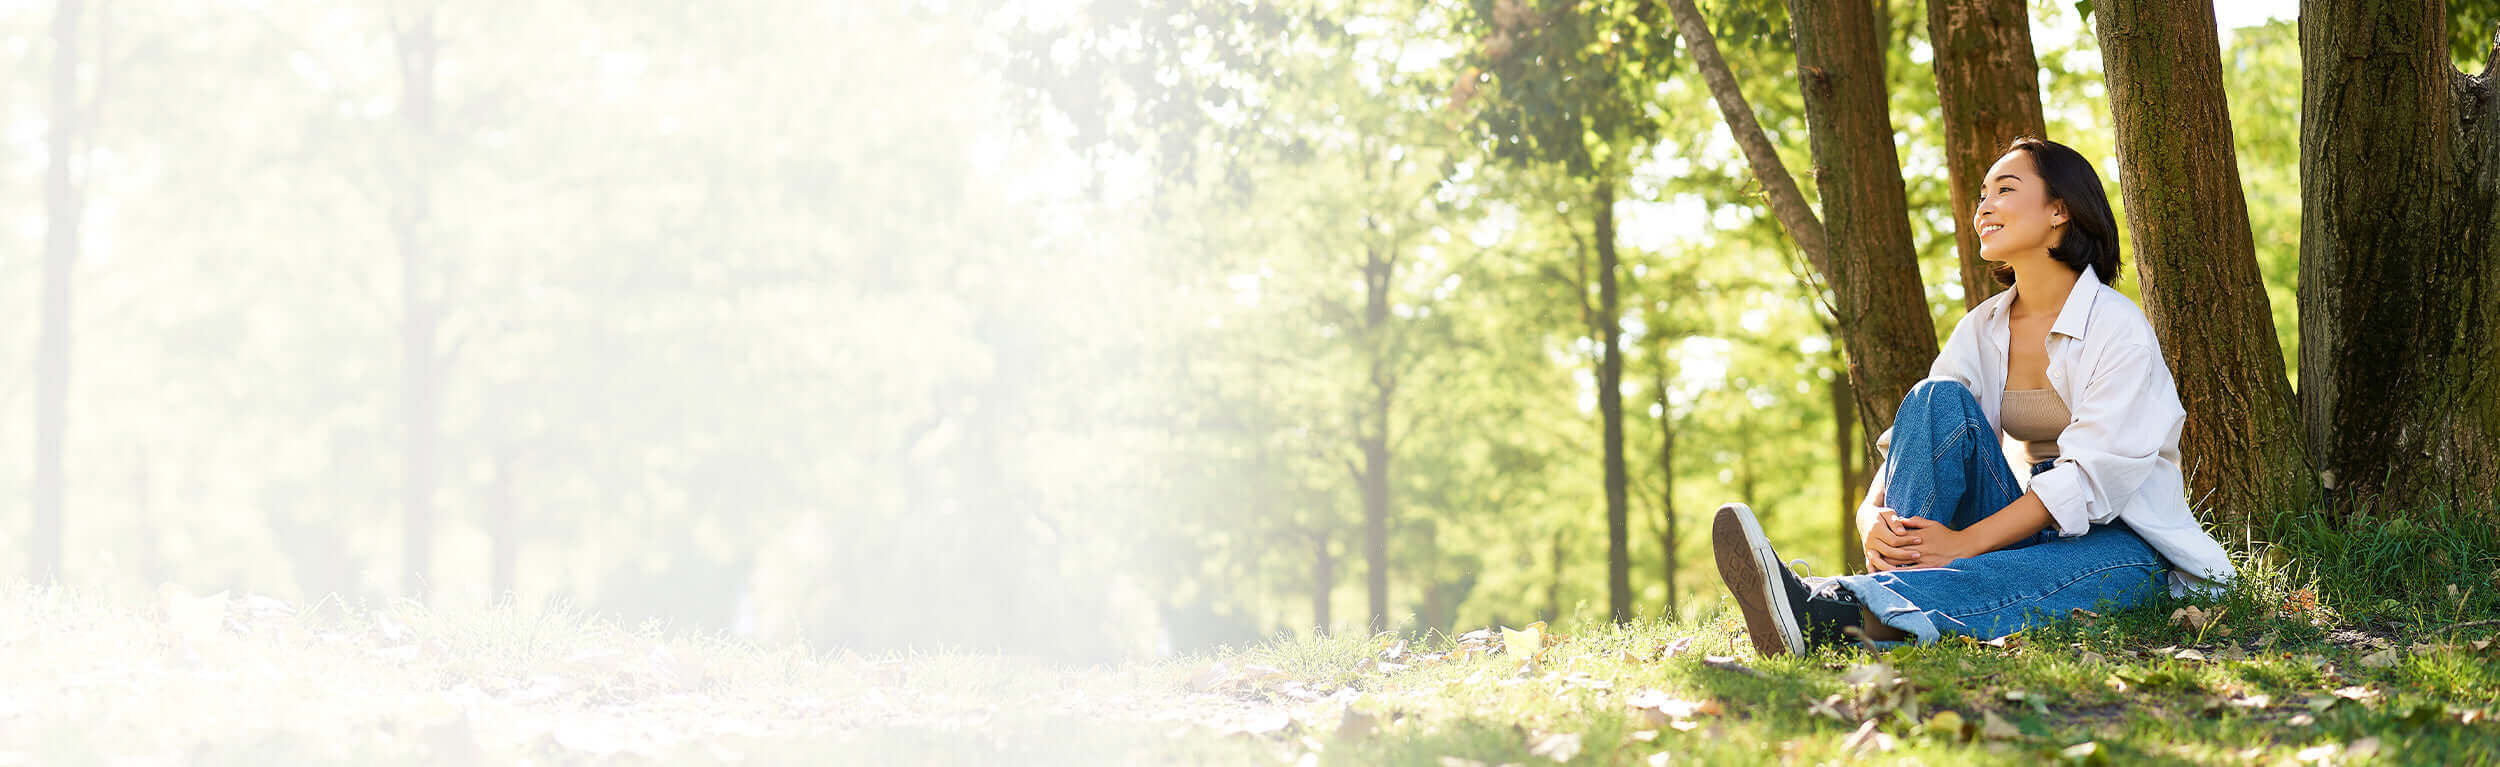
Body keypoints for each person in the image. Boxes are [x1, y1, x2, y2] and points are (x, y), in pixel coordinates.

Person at [1712, 136, 2237, 656]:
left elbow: (2088, 479)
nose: (1983, 206)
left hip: (2121, 546)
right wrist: (1869, 516)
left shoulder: (2118, 328)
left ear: (2059, 210)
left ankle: (1830, 610)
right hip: (2016, 521)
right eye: (1981, 195)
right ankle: (1883, 581)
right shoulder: (1983, 326)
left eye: (2004, 189)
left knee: (1999, 572)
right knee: (1935, 396)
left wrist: (1962, 544)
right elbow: (1922, 431)